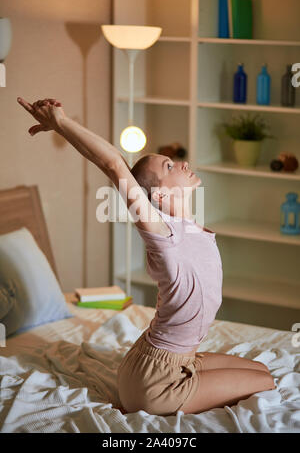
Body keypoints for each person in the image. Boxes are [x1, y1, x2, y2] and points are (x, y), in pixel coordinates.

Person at [17, 97, 276, 416]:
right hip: (154, 382)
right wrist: (61, 123)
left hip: (171, 359)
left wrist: (63, 127)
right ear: (160, 196)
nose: (181, 162)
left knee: (263, 373)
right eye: (169, 166)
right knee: (266, 385)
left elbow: (117, 164)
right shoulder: (164, 235)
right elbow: (113, 165)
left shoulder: (190, 227)